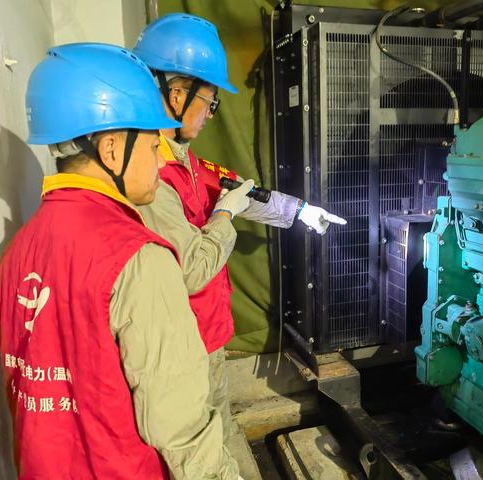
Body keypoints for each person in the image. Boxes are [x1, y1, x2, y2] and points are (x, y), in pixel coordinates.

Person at [0, 43, 244, 479]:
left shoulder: (16, 252)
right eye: (152, 144)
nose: (159, 159)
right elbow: (181, 427)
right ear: (111, 150)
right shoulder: (138, 258)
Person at [132, 12, 348, 445]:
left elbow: (243, 193)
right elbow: (192, 269)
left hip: (208, 336)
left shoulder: (189, 162)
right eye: (209, 102)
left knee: (219, 430)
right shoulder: (148, 176)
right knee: (199, 446)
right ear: (176, 93)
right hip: (182, 349)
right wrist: (225, 217)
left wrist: (301, 211)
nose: (211, 114)